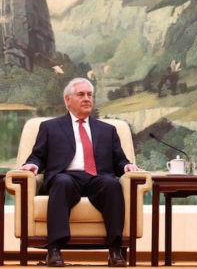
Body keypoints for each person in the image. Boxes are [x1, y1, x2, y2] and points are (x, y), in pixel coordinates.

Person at [19, 77, 141, 267]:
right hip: (66, 176)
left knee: (112, 185)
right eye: (81, 94)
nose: (87, 99)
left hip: (98, 178)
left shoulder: (108, 130)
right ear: (68, 100)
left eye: (90, 95)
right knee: (62, 182)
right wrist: (32, 165)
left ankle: (115, 250)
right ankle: (54, 250)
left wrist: (127, 166)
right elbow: (38, 156)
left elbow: (119, 160)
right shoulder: (50, 127)